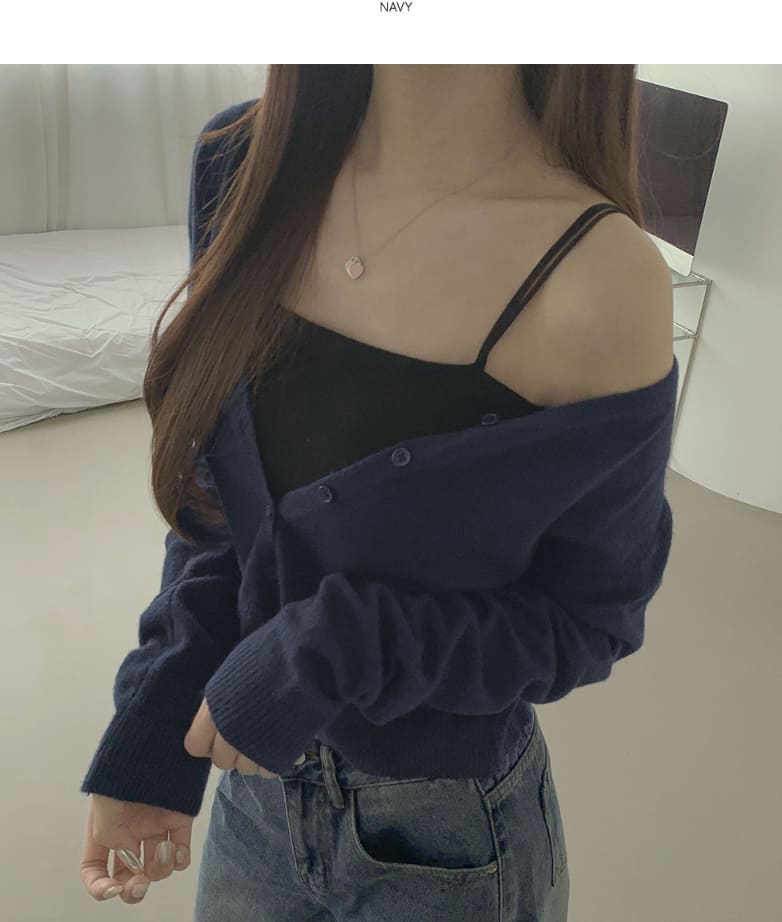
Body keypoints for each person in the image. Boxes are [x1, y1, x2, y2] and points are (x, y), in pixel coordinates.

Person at [79, 65, 676, 921]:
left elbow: (588, 621)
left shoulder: (600, 277)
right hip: (250, 785)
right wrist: (153, 723)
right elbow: (225, 508)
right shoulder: (241, 162)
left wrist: (330, 648)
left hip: (448, 835)